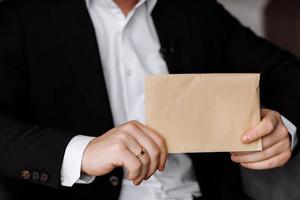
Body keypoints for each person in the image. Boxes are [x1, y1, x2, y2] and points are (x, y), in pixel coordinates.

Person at [0, 0, 299, 199]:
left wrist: (286, 125)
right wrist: (82, 152)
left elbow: (289, 74)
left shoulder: (194, 9)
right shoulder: (20, 15)